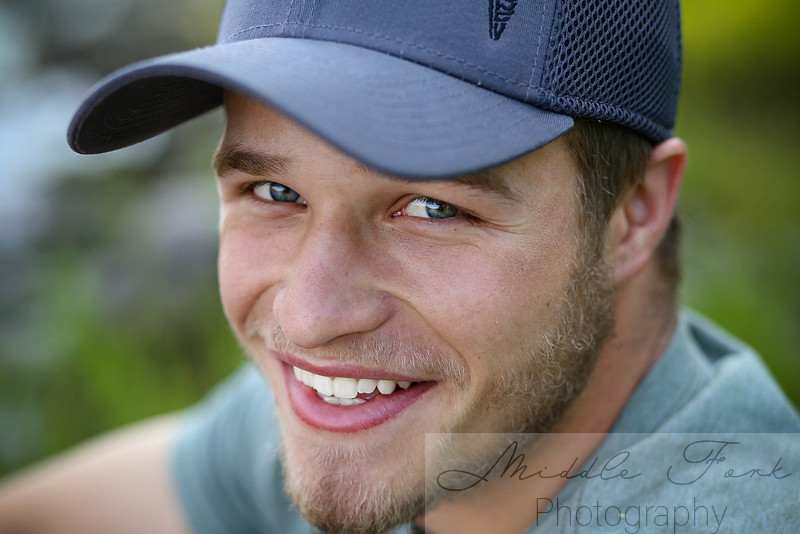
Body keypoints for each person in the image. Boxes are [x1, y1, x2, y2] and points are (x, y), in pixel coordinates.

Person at [1, 1, 798, 533]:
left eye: (432, 210)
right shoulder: (365, 405)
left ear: (635, 212)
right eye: (275, 191)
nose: (312, 317)